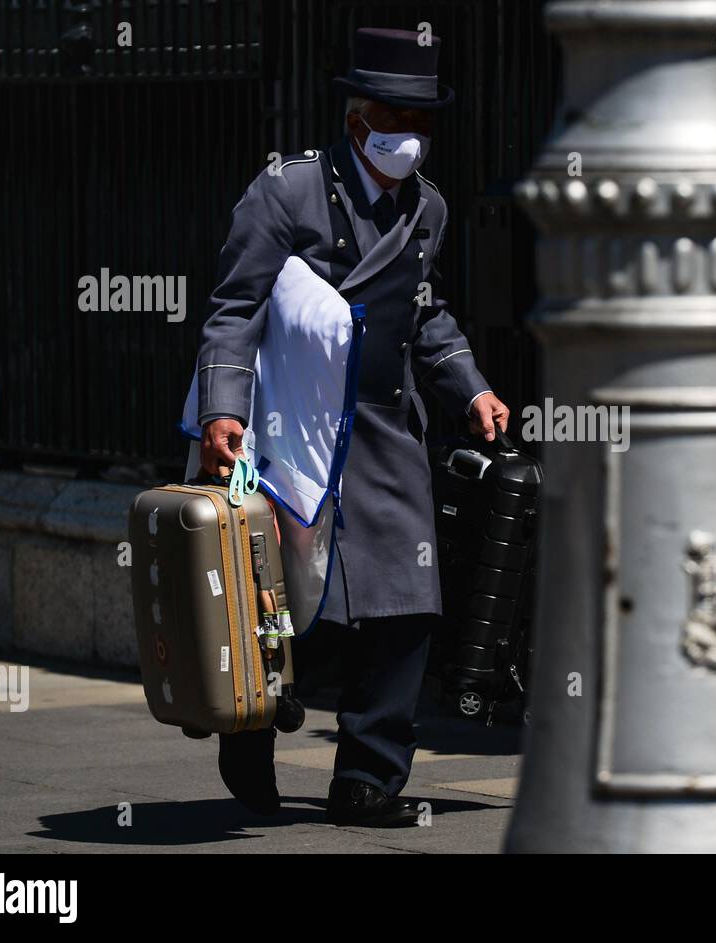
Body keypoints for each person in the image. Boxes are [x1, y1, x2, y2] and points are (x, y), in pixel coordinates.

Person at [195, 26, 508, 827]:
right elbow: (237, 305)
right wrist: (223, 407)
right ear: (359, 118)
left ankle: (369, 776)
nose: (411, 136)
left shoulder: (426, 207)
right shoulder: (287, 191)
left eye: (423, 119)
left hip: (383, 422)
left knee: (408, 599)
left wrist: (469, 388)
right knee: (296, 601)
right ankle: (252, 723)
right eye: (396, 116)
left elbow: (424, 312)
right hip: (292, 420)